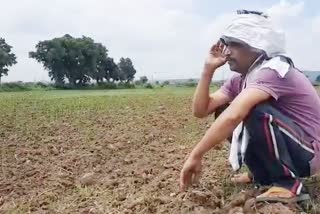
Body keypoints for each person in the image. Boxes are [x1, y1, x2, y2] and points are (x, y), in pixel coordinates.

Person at [179, 10, 320, 202]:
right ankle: (261, 175)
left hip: (308, 153)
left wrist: (196, 155)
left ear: (258, 46)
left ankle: (289, 185)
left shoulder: (273, 70)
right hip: (293, 145)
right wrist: (207, 69)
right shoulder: (240, 78)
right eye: (226, 44)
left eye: (235, 44)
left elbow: (234, 115)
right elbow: (201, 110)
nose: (227, 51)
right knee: (224, 110)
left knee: (251, 111)